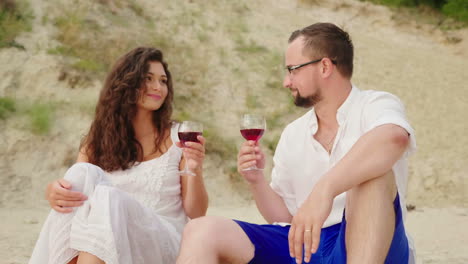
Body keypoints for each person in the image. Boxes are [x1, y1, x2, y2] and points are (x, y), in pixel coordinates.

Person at [176, 22, 416, 264]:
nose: (286, 81)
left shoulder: (374, 105)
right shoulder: (293, 133)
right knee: (200, 231)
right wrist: (256, 180)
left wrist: (325, 189)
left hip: (367, 244)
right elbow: (285, 218)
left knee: (372, 179)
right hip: (304, 247)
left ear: (324, 66)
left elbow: (394, 138)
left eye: (293, 69)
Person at [29, 47, 209, 264]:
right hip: (108, 242)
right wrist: (55, 191)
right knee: (81, 173)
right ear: (127, 82)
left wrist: (195, 166)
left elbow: (197, 213)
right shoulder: (99, 139)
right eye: (148, 78)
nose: (157, 87)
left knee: (107, 197)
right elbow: (77, 191)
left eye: (163, 81)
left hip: (163, 241)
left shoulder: (179, 137)